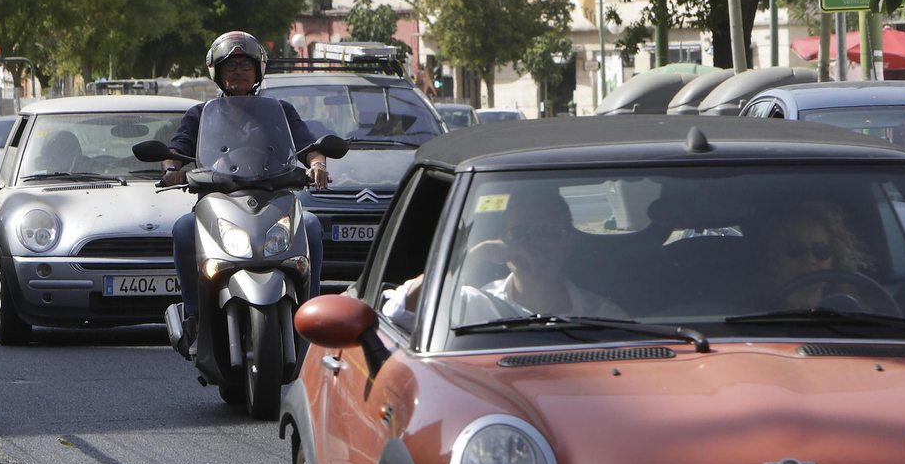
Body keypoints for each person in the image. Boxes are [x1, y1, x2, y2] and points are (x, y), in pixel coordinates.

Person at [166, 31, 331, 345]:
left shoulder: (279, 111)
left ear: (258, 71)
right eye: (229, 65)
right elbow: (175, 151)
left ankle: (311, 316)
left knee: (310, 225)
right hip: (220, 204)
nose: (238, 71)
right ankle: (196, 316)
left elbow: (309, 145)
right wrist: (172, 170)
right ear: (217, 72)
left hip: (273, 202)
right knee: (184, 229)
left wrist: (317, 164)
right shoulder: (201, 115)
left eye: (245, 64)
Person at [382, 185, 625, 331]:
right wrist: (472, 257)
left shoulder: (603, 316)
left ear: (568, 241)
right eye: (523, 233)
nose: (536, 244)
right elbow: (400, 310)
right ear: (504, 241)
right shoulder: (473, 303)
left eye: (549, 232)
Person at [761, 202, 872, 311]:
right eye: (796, 249)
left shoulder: (853, 315)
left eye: (821, 250)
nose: (810, 259)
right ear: (776, 256)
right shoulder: (755, 316)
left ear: (834, 258)